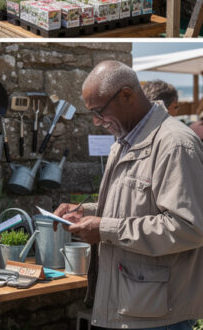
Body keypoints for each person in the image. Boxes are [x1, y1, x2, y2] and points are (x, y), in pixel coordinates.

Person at [50, 61, 203, 330]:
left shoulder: (175, 144)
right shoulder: (125, 140)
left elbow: (188, 227)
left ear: (127, 95)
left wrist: (105, 228)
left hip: (159, 317)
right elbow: (135, 206)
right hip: (132, 306)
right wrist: (87, 212)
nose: (97, 121)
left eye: (99, 111)